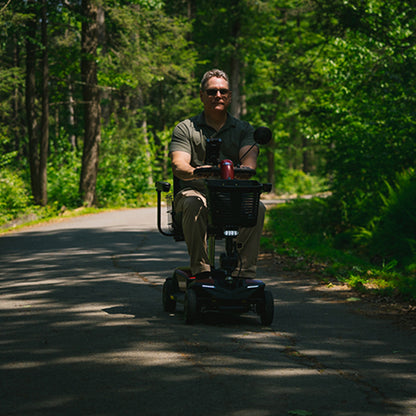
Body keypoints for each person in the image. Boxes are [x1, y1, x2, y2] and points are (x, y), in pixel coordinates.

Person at [169, 68, 266, 278]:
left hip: (231, 197)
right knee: (194, 203)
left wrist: (242, 171)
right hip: (196, 192)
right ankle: (201, 271)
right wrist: (198, 172)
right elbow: (179, 165)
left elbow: (249, 164)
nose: (218, 96)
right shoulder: (186, 128)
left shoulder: (244, 129)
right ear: (202, 95)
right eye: (212, 91)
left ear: (230, 96)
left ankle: (243, 272)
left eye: (223, 91)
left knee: (257, 208)